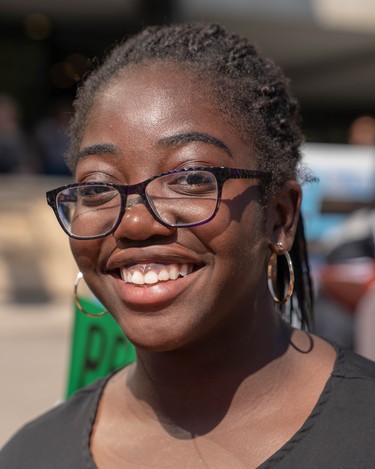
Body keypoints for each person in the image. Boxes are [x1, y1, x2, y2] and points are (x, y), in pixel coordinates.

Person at [1, 23, 375, 468]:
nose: (136, 222)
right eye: (98, 186)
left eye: (191, 178)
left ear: (280, 216)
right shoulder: (33, 454)